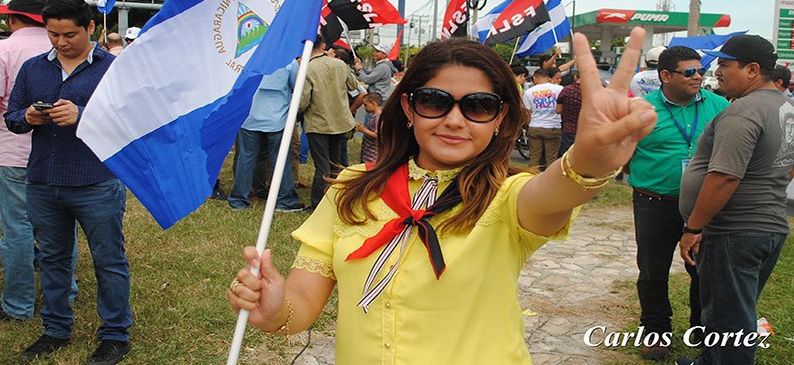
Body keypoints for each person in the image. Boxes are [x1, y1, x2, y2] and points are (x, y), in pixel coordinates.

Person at [227, 29, 658, 363]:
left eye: (478, 106)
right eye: (435, 101)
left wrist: (588, 160)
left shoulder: (505, 197)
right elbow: (302, 303)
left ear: (500, 117)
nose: (454, 120)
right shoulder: (352, 188)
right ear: (409, 107)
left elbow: (555, 191)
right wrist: (275, 309)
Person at [4, 0, 132, 364]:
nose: (61, 42)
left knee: (108, 260)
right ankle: (56, 329)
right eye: (53, 34)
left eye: (70, 35)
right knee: (53, 259)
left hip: (96, 181)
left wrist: (83, 115)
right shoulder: (33, 68)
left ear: (90, 27)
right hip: (43, 180)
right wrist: (28, 117)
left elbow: (128, 121)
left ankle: (115, 334)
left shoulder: (112, 69)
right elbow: (12, 117)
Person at [677, 35, 792, 365]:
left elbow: (725, 176)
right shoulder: (786, 108)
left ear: (752, 70)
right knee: (730, 308)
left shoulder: (743, 112)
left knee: (729, 319)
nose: (716, 72)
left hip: (735, 230)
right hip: (768, 225)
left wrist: (693, 227)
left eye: (725, 65)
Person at [626, 46, 729, 361]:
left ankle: (702, 331)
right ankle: (656, 332)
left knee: (703, 272)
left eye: (700, 71)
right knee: (652, 271)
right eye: (689, 72)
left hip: (702, 206)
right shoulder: (642, 110)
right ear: (666, 76)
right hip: (654, 203)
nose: (698, 77)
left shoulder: (719, 106)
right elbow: (624, 152)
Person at [0, 0, 53, 321]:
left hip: (15, 152)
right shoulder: (65, 47)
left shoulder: (3, 50)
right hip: (59, 154)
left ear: (12, 18)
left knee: (17, 230)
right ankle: (63, 295)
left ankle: (19, 304)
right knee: (59, 230)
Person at [228, 61, 304, 212]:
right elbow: (297, 87)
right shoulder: (289, 63)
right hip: (277, 119)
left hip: (249, 118)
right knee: (280, 160)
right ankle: (285, 200)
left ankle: (239, 200)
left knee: (246, 158)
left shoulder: (250, 59)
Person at [299, 35, 358, 209]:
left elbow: (302, 101)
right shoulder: (340, 64)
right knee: (335, 163)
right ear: (323, 46)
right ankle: (336, 200)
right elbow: (353, 86)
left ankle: (318, 204)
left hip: (318, 123)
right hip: (339, 121)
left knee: (322, 165)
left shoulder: (307, 68)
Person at [523, 67, 563, 169]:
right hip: (553, 127)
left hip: (535, 126)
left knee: (534, 157)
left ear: (535, 77)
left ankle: (531, 176)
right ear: (548, 78)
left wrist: (527, 128)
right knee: (551, 158)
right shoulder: (559, 89)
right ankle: (550, 178)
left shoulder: (529, 92)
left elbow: (527, 113)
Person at [556, 70, 582, 157]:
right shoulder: (593, 92)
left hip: (569, 128)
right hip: (587, 129)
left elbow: (558, 110)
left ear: (575, 77)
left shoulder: (567, 90)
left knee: (567, 156)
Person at [355, 92, 382, 164]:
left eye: (365, 105)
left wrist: (363, 130)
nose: (365, 107)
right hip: (367, 153)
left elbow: (378, 135)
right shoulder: (373, 116)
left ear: (373, 103)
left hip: (373, 156)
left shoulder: (378, 118)